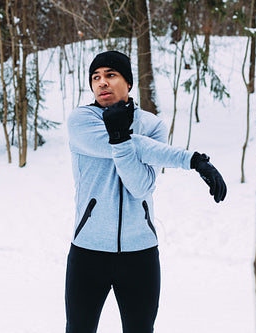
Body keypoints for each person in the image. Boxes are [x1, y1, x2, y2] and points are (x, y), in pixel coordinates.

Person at [65, 51, 227, 333]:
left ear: (128, 83)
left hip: (139, 255)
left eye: (110, 75)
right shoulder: (81, 120)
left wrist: (121, 138)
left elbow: (140, 186)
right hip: (88, 252)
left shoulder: (151, 125)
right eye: (95, 77)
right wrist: (191, 159)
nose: (102, 82)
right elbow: (121, 145)